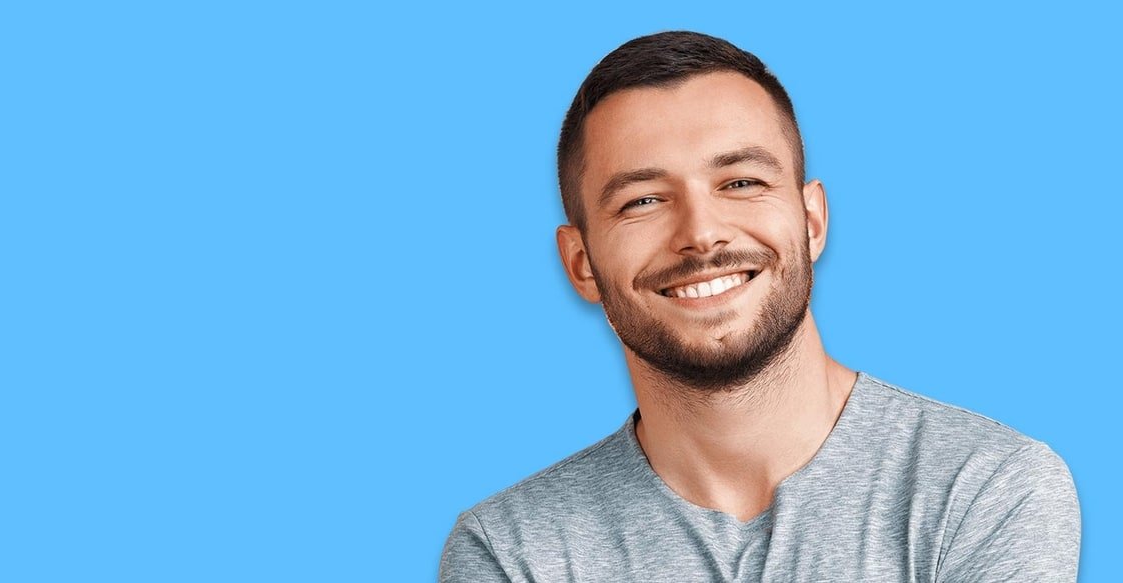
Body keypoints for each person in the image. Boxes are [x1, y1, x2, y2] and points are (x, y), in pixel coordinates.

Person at [440, 30, 1080, 582]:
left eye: (741, 182)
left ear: (812, 220)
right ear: (581, 263)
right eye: (643, 200)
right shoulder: (512, 552)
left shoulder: (982, 487)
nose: (701, 233)